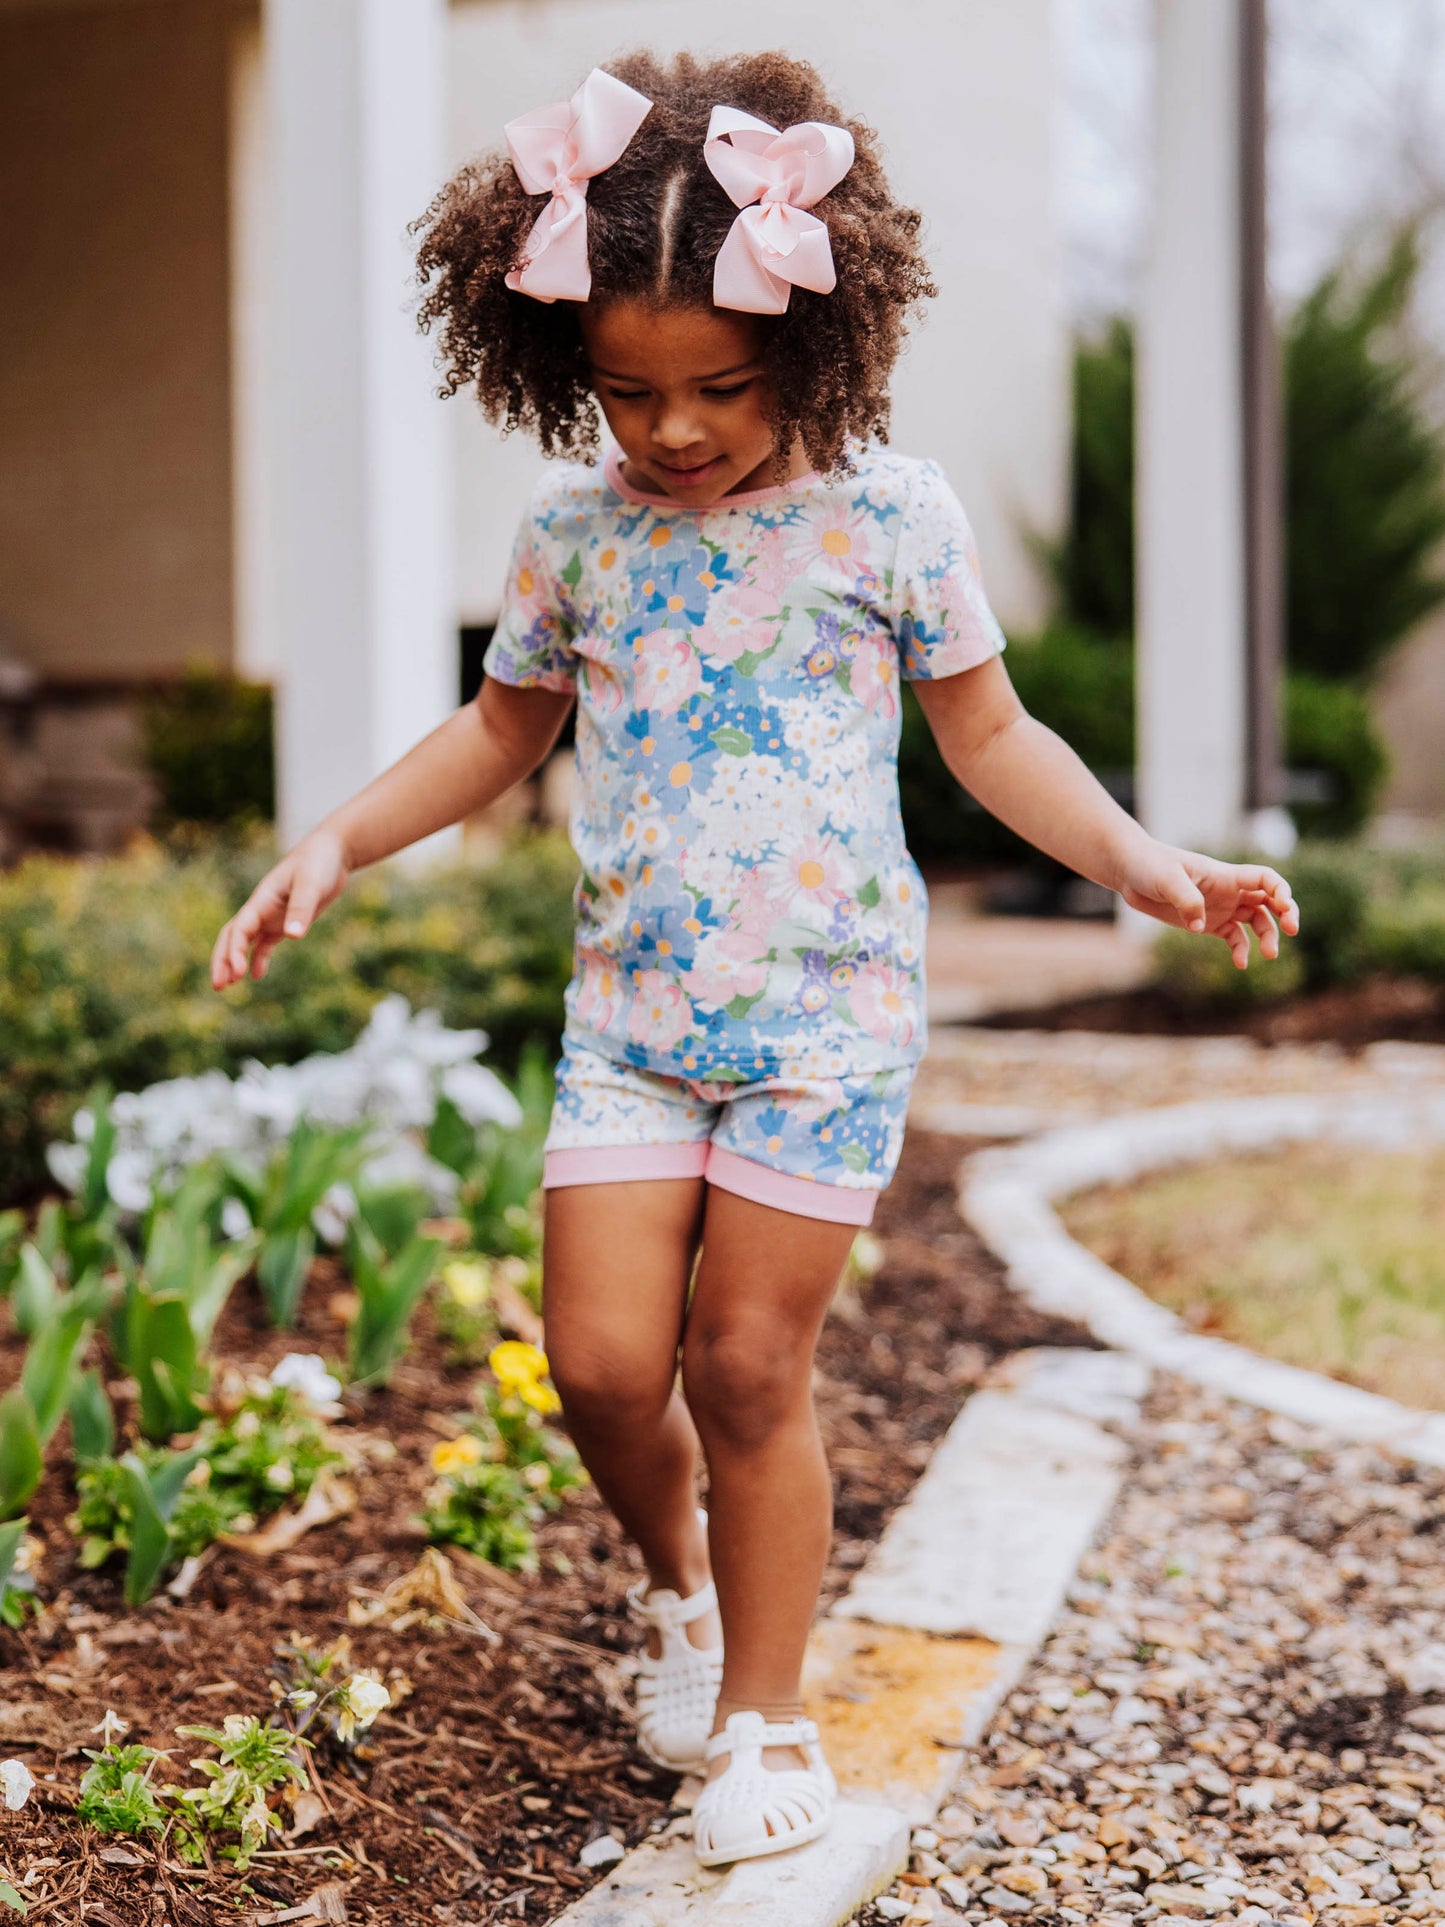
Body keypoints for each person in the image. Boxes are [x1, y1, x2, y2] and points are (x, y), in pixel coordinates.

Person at [211, 50, 1298, 1868]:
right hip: (631, 1027)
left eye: (718, 384)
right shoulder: (575, 538)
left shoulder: (891, 518)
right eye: (628, 391)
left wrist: (1146, 868)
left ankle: (765, 1717)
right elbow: (493, 736)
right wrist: (333, 835)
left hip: (825, 1026)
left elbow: (991, 739)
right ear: (567, 366)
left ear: (818, 339)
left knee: (744, 1368)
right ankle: (681, 1594)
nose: (675, 428)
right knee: (601, 1366)